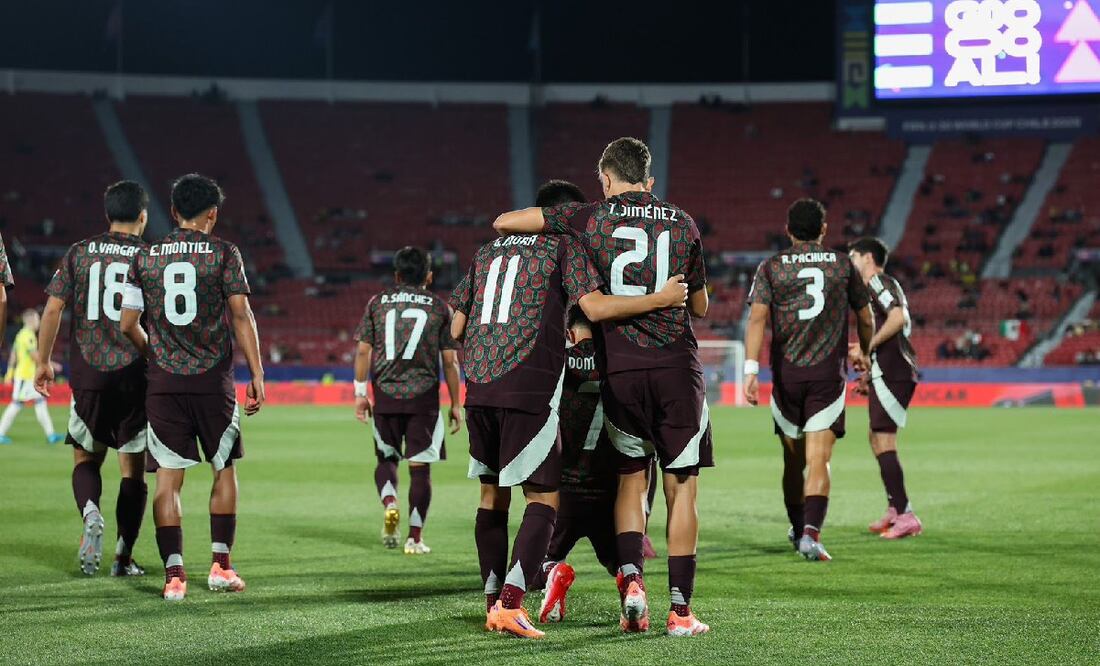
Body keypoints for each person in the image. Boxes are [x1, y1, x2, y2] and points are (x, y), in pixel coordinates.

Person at [493, 137, 712, 637]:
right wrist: (665, 296)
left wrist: (562, 220)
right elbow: (697, 305)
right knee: (682, 487)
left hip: (622, 371)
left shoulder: (589, 217)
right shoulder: (683, 222)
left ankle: (633, 581)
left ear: (606, 179)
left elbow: (506, 222)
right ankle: (680, 611)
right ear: (648, 178)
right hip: (678, 368)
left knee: (631, 479)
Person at [450, 219, 687, 639]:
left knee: (492, 496)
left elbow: (454, 328)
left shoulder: (488, 251)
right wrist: (661, 298)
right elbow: (595, 308)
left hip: (482, 387)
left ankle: (494, 600)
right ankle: (515, 604)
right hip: (595, 472)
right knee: (547, 502)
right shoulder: (566, 254)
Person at [120, 173, 265, 602]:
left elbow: (128, 324)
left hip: (164, 384)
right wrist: (257, 373)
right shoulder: (224, 252)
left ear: (174, 212)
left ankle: (174, 576)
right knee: (224, 468)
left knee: (168, 478)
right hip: (212, 383)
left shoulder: (145, 257)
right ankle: (220, 566)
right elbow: (241, 315)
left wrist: (155, 355)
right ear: (213, 214)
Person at [744, 198, 874, 562]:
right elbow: (865, 317)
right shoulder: (843, 266)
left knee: (792, 462)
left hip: (787, 377)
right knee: (819, 459)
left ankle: (797, 525)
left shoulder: (771, 267)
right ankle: (810, 536)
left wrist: (750, 371)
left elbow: (756, 320)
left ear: (788, 231)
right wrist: (865, 351)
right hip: (825, 377)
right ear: (824, 229)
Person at [34, 180, 151, 576]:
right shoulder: (151, 257)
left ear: (106, 216)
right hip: (137, 375)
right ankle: (122, 556)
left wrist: (42, 362)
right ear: (143, 217)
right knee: (132, 471)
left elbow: (52, 310)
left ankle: (90, 512)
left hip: (89, 374)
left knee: (86, 458)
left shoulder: (79, 253)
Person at [353, 245, 462, 554]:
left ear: (397, 275)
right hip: (423, 399)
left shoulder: (377, 303)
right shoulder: (440, 308)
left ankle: (390, 502)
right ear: (428, 276)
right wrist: (455, 404)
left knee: (386, 458)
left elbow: (363, 350)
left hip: (386, 395)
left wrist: (361, 395)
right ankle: (415, 537)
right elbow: (451, 361)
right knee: (420, 468)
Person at [529, 308, 619, 624]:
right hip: (608, 491)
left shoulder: (557, 363)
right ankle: (631, 589)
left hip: (563, 491)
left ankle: (555, 572)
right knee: (622, 561)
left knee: (538, 564)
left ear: (569, 333)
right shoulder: (617, 363)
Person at [847, 237, 923, 539]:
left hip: (895, 370)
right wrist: (869, 371)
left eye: (853, 256)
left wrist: (867, 348)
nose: (851, 261)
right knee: (876, 438)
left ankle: (906, 515)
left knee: (884, 438)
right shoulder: (878, 286)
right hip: (888, 370)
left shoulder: (877, 280)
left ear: (867, 258)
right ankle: (895, 507)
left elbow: (897, 317)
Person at [0, 309, 63, 445]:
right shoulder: (27, 336)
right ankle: (0, 433)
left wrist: (9, 372)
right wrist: (51, 364)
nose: (39, 322)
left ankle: (51, 435)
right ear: (30, 320)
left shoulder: (20, 335)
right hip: (25, 377)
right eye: (37, 319)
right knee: (16, 404)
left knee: (40, 403)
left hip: (28, 376)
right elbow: (35, 356)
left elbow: (13, 355)